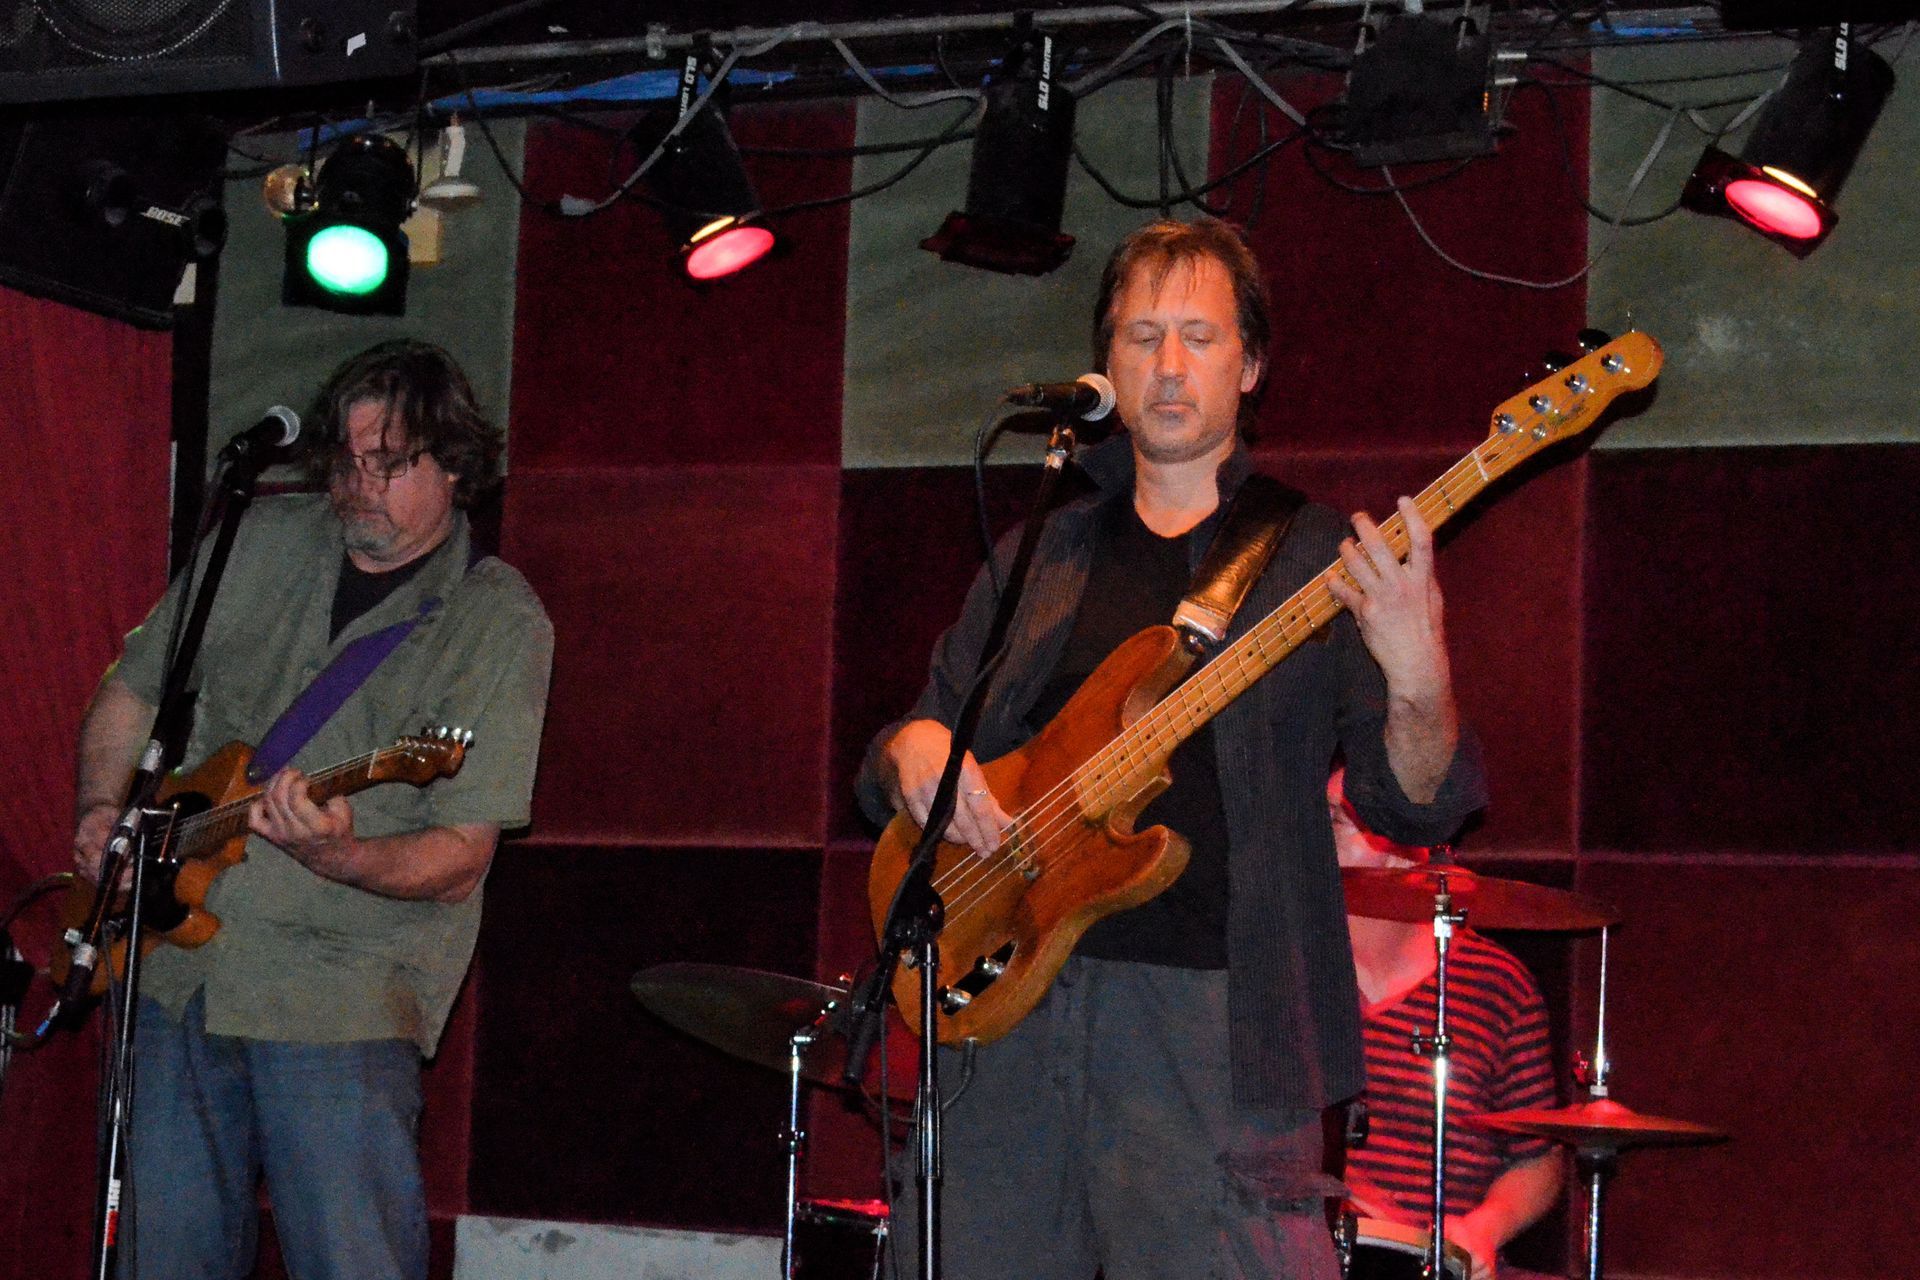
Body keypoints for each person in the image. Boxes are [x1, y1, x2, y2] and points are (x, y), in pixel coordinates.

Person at [856, 217, 1486, 1280]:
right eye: (1143, 335)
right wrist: (913, 749)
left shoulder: (1311, 553)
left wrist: (1420, 670)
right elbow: (918, 738)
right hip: (1010, 1004)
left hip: (1213, 1022)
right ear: (1107, 364)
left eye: (1200, 334)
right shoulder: (1042, 546)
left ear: (1253, 366)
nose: (1170, 363)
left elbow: (1418, 803)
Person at [71, 339, 553, 1280]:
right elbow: (132, 690)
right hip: (172, 980)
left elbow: (461, 853)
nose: (358, 482)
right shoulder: (253, 542)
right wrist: (101, 807)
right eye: (346, 457)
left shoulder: (498, 621)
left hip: (339, 994)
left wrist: (343, 857)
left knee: (351, 1261)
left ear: (457, 467)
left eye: (390, 461)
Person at [1330, 767, 1562, 1280]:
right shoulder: (1287, 975)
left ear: (1401, 847)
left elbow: (1537, 1159)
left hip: (1432, 1262)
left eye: (1336, 822)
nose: (1314, 838)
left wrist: (1483, 1228)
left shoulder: (1499, 984)